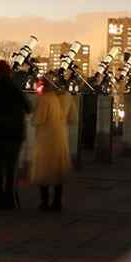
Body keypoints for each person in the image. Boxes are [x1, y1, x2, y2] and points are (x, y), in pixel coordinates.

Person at [0, 61, 28, 210]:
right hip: (13, 133)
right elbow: (28, 107)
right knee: (10, 167)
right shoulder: (14, 88)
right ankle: (9, 200)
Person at [32, 77, 74, 211]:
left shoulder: (45, 99)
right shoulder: (67, 97)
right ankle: (57, 201)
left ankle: (44, 202)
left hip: (46, 139)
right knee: (58, 170)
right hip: (61, 137)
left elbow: (38, 119)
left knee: (44, 170)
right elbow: (73, 117)